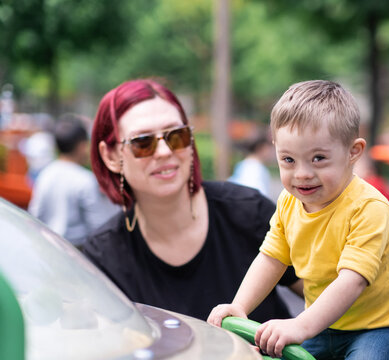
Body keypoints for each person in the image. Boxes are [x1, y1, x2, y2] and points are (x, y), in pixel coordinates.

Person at [208, 80, 389, 359]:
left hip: (384, 325)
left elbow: (352, 280)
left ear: (353, 152)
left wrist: (301, 325)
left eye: (318, 158)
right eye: (288, 160)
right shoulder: (289, 203)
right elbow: (271, 258)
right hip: (327, 324)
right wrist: (240, 306)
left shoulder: (368, 208)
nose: (302, 174)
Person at [81, 79, 302, 323]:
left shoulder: (248, 212)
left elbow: (333, 303)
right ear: (110, 156)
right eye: (143, 142)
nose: (164, 151)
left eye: (176, 135)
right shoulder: (104, 256)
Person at [28, 114, 119, 247]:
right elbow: (97, 226)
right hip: (75, 252)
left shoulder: (46, 173)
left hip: (48, 246)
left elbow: (35, 213)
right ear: (82, 146)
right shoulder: (85, 180)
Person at [228, 132, 275, 198]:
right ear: (262, 148)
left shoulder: (243, 164)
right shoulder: (257, 169)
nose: (273, 152)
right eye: (270, 147)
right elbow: (258, 196)